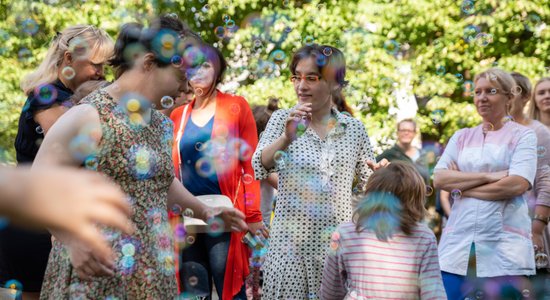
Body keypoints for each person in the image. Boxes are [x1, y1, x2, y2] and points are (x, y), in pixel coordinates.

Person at [33, 16, 247, 299]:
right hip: (96, 273)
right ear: (148, 63)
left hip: (150, 272)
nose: (185, 87)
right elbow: (35, 185)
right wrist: (71, 240)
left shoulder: (160, 124)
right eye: (180, 76)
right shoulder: (89, 116)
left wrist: (205, 211)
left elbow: (161, 182)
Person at [252, 44, 385, 299]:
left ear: (335, 83)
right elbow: (259, 165)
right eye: (296, 77)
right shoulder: (282, 119)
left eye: (311, 78)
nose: (301, 86)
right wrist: (286, 138)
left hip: (336, 249)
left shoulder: (354, 128)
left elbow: (367, 183)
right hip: (289, 251)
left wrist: (380, 173)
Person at [0, 24, 113, 300]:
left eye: (105, 67)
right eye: (96, 65)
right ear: (69, 59)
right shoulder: (46, 97)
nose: (101, 73)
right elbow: (74, 152)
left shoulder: (84, 100)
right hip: (34, 217)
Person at [170, 42, 264, 299]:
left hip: (225, 215)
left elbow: (250, 164)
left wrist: (253, 215)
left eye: (206, 65)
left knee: (230, 292)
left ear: (218, 70)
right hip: (187, 216)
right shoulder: (177, 115)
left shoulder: (236, 106)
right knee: (193, 292)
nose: (198, 72)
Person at [434, 68, 537, 299]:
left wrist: (462, 188)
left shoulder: (523, 136)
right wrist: (489, 176)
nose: (481, 98)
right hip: (458, 245)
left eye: (490, 91)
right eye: (477, 92)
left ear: (509, 97)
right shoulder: (461, 136)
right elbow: (440, 178)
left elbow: (517, 184)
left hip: (503, 247)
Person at [319, 162, 446, 299]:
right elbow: (433, 295)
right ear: (415, 199)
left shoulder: (345, 232)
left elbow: (330, 292)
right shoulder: (424, 237)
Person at [510, 72, 550, 273]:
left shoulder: (539, 132)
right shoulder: (492, 132)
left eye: (511, 91)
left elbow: (545, 183)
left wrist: (537, 228)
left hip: (528, 221)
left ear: (526, 97)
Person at [376, 118, 430, 184]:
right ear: (397, 133)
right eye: (403, 130)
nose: (406, 133)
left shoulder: (422, 154)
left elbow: (427, 180)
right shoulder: (389, 154)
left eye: (409, 130)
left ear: (414, 133)